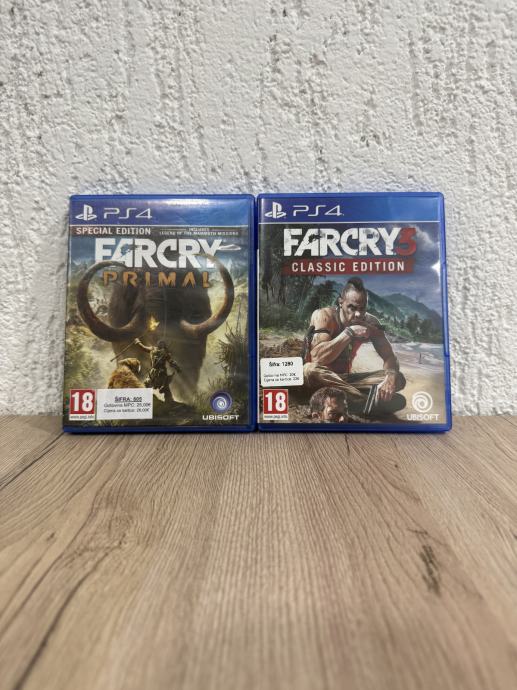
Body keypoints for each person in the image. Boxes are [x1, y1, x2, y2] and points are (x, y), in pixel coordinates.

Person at [303, 277, 406, 415]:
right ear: (341, 302)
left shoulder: (370, 322)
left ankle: (349, 399)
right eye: (351, 307)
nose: (358, 314)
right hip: (319, 380)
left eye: (362, 308)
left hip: (346, 381)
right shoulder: (324, 316)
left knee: (399, 378)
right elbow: (317, 358)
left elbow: (389, 356)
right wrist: (349, 332)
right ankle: (362, 401)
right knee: (309, 370)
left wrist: (391, 378)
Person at [135, 339, 181, 404]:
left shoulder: (165, 353)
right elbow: (143, 348)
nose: (161, 344)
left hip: (161, 371)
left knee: (165, 387)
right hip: (153, 371)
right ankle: (143, 398)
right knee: (146, 384)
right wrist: (138, 342)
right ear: (157, 343)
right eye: (160, 342)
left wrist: (177, 367)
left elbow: (171, 361)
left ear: (164, 345)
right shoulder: (152, 349)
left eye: (162, 343)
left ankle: (169, 401)